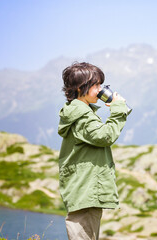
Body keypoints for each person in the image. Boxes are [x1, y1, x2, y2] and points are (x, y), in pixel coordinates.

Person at [58, 62, 129, 240]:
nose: (100, 90)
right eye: (96, 85)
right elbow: (104, 136)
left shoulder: (80, 112)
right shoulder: (81, 115)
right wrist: (118, 109)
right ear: (82, 87)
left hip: (85, 187)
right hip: (86, 188)